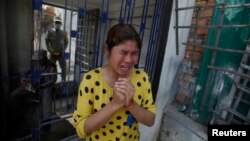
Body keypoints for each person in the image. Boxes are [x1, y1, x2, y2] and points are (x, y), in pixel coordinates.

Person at [73, 23, 156, 141]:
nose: (128, 60)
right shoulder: (91, 80)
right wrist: (115, 104)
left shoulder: (142, 78)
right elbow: (81, 130)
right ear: (107, 50)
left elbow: (150, 120)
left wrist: (131, 104)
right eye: (123, 52)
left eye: (134, 53)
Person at [9, 49, 57, 137]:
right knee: (14, 95)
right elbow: (27, 71)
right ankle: (24, 111)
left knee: (46, 105)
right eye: (36, 60)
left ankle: (46, 127)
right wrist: (23, 77)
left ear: (44, 58)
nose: (37, 61)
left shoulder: (51, 65)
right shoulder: (35, 62)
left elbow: (52, 80)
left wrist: (41, 86)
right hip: (33, 85)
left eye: (39, 59)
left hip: (44, 86)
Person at [45, 16, 68, 81]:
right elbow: (47, 42)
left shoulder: (64, 33)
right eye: (56, 22)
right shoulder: (50, 32)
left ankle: (63, 81)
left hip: (61, 53)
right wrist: (50, 51)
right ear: (54, 23)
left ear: (61, 24)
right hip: (52, 54)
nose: (57, 24)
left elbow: (66, 42)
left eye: (59, 22)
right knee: (52, 68)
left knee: (64, 68)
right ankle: (52, 81)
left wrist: (63, 50)